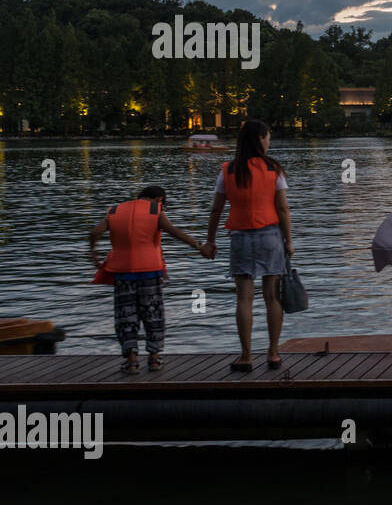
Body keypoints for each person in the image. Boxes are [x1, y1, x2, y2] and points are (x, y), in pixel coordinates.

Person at [90, 185, 214, 373]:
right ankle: (154, 359)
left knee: (126, 316)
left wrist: (94, 255)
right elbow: (174, 231)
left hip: (122, 272)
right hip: (149, 271)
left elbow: (94, 232)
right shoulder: (155, 210)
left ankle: (131, 361)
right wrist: (200, 247)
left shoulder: (115, 210)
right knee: (153, 315)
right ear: (159, 199)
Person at [204, 120, 292, 372]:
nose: (269, 142)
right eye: (268, 137)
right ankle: (273, 354)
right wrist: (289, 240)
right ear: (260, 139)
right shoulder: (273, 169)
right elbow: (283, 208)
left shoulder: (229, 170)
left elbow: (216, 210)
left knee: (244, 298)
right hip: (270, 236)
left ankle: (246, 356)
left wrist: (210, 240)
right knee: (272, 297)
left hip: (241, 237)